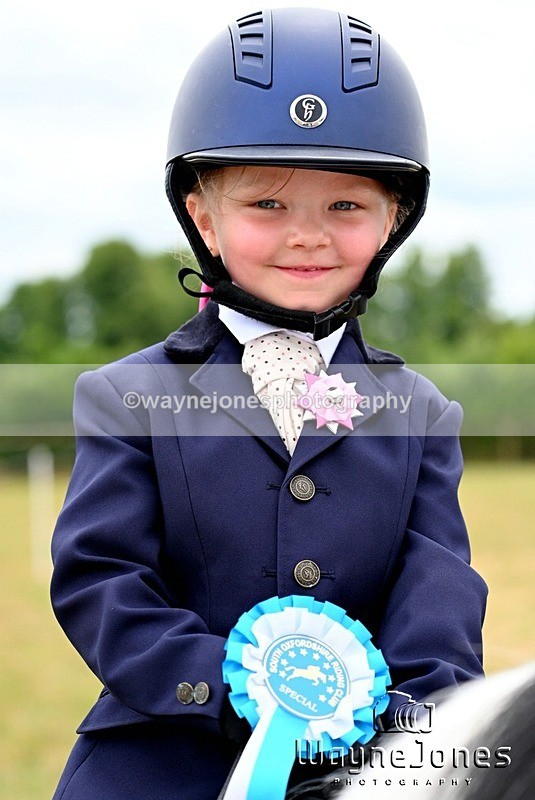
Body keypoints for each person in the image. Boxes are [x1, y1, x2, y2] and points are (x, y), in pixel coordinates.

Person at [50, 8, 488, 800]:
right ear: (202, 217)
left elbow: (438, 596)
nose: (307, 237)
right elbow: (102, 581)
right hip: (161, 761)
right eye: (268, 206)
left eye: (345, 207)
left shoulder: (419, 412)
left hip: (367, 766)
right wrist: (240, 697)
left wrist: (395, 725)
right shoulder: (125, 396)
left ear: (393, 219)